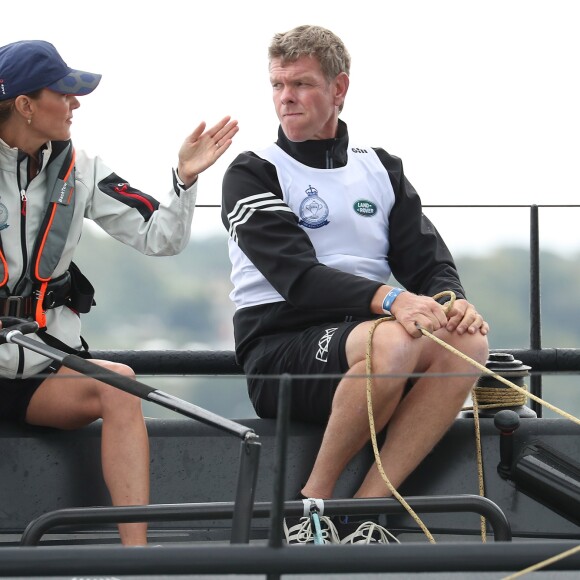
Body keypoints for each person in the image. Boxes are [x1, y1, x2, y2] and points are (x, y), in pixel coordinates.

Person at [221, 25, 489, 544]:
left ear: (339, 90)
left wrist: (452, 303)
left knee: (469, 342)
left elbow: (426, 260)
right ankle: (310, 508)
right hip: (280, 346)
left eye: (300, 84)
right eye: (277, 85)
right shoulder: (252, 172)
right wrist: (392, 299)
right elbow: (297, 278)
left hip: (370, 337)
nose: (285, 98)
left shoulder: (381, 168)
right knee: (393, 338)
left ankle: (366, 510)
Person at [0, 39, 238, 546]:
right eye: (63, 93)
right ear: (24, 105)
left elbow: (162, 237)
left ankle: (138, 562)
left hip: (40, 369)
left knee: (122, 385)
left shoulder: (81, 168)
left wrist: (184, 179)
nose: (75, 104)